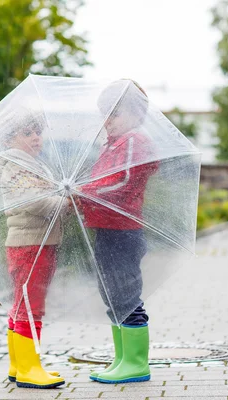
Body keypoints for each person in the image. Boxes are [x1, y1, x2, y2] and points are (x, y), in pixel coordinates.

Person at [80, 80, 159, 384]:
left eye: (114, 114)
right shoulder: (112, 144)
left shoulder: (135, 142)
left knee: (126, 296)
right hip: (106, 228)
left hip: (123, 232)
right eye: (105, 115)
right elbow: (103, 179)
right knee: (111, 295)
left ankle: (136, 363)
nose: (107, 121)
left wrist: (85, 192)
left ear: (135, 115)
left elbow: (122, 181)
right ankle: (122, 358)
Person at [0, 114, 69, 389]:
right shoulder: (16, 166)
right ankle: (29, 368)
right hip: (30, 243)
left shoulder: (29, 164)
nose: (36, 138)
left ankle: (17, 364)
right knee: (31, 305)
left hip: (36, 242)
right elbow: (31, 201)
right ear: (9, 139)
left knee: (22, 303)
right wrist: (63, 201)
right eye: (28, 133)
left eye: (38, 132)